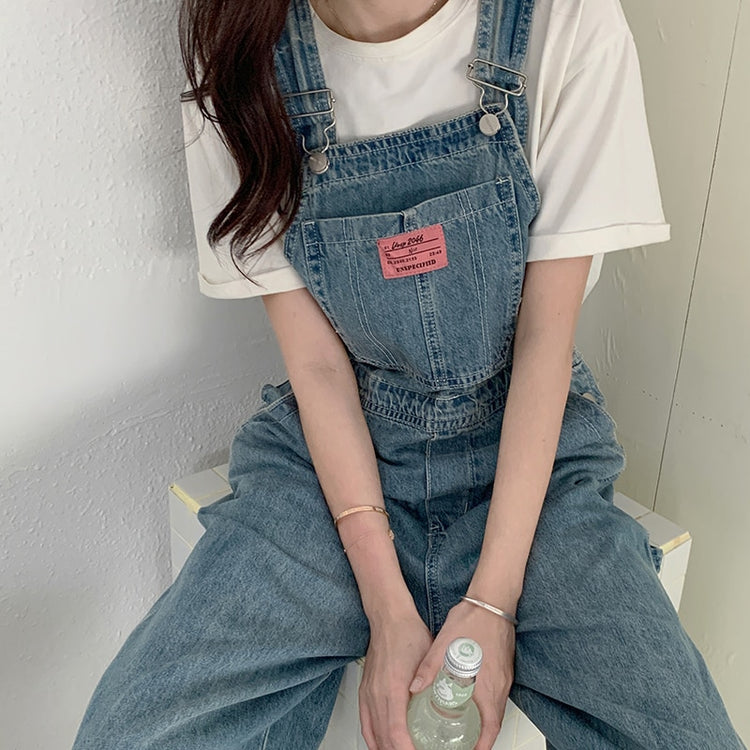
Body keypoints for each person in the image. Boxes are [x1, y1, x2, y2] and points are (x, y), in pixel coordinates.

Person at [73, 0, 745, 748]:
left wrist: (492, 603)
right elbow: (318, 366)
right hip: (332, 461)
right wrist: (387, 606)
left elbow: (543, 344)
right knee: (132, 733)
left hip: (530, 459)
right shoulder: (238, 53)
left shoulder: (566, 22)